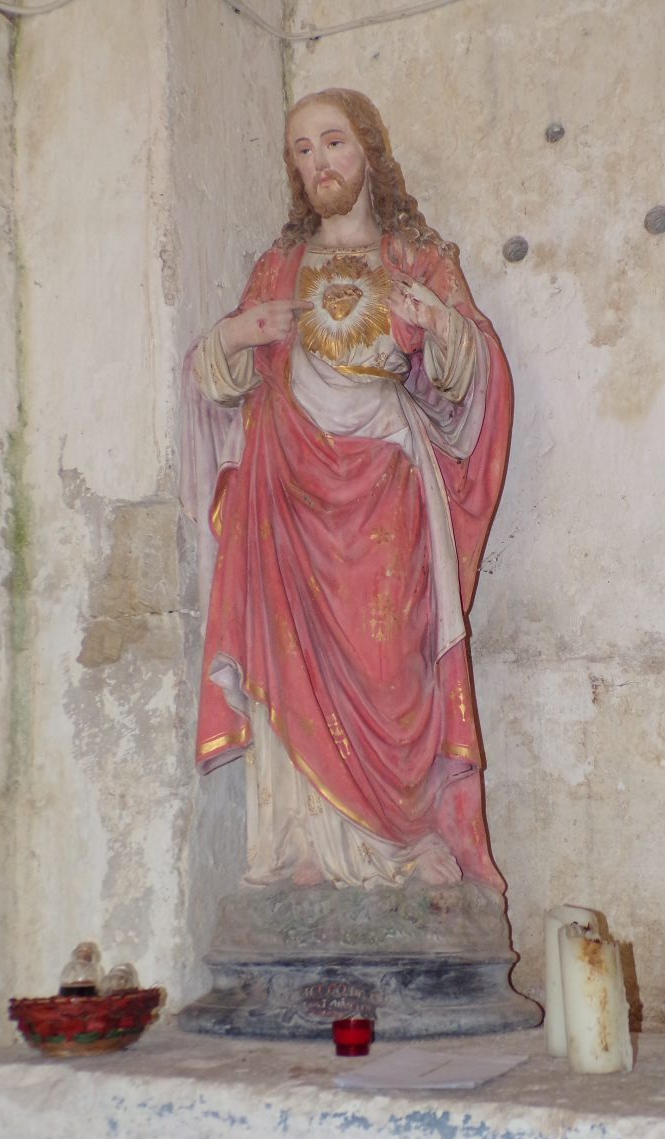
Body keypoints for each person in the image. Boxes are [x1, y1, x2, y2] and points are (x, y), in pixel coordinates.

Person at [181, 89, 512, 892]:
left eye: (333, 142)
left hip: (387, 495)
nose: (318, 162)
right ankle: (304, 851)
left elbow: (476, 379)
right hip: (287, 492)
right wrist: (234, 334)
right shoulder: (277, 266)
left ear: (368, 153)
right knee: (292, 668)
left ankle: (402, 837)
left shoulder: (416, 258)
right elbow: (217, 380)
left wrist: (439, 323)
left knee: (392, 664)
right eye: (301, 149)